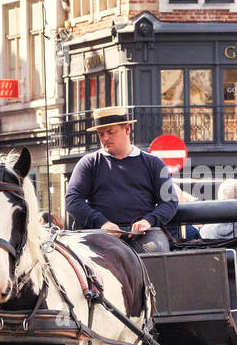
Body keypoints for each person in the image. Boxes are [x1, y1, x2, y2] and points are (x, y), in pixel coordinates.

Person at [65, 105, 179, 254]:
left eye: (110, 132)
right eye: (101, 134)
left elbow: (170, 202)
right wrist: (102, 223)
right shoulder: (89, 163)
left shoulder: (154, 163)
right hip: (101, 233)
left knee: (154, 251)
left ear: (127, 129)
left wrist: (148, 221)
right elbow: (72, 200)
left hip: (145, 234)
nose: (105, 138)